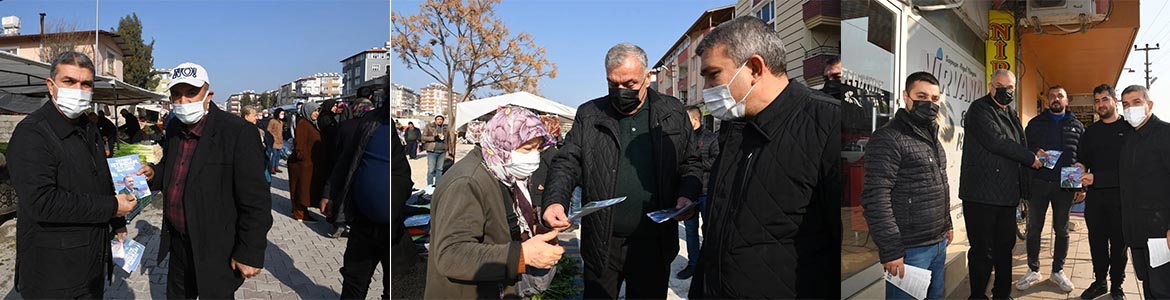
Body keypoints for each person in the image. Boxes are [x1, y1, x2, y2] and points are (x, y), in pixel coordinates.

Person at [686, 16, 841, 299]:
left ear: (755, 68)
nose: (706, 89)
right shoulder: (734, 125)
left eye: (713, 74)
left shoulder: (828, 124)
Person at [541, 42, 701, 299]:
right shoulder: (590, 114)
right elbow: (567, 161)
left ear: (648, 78)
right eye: (613, 84)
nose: (620, 91)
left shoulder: (672, 113)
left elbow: (691, 162)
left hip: (653, 243)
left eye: (629, 84)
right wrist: (555, 200)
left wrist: (687, 195)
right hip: (602, 243)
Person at [8, 50, 138, 299]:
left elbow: (101, 179)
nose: (78, 90)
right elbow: (41, 202)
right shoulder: (32, 134)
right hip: (54, 274)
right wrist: (111, 207)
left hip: (91, 265)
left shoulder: (88, 127)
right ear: (51, 85)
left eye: (85, 83)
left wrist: (118, 223)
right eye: (69, 81)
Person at [145, 62, 272, 298]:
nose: (183, 102)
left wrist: (250, 251)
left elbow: (256, 200)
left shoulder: (237, 132)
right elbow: (172, 170)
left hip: (217, 248)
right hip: (179, 244)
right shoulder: (174, 127)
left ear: (208, 94)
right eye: (176, 94)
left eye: (191, 93)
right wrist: (154, 173)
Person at [426, 105, 565, 298]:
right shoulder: (467, 182)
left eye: (537, 148)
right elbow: (451, 254)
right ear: (502, 143)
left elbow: (494, 224)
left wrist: (532, 233)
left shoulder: (501, 171)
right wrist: (523, 255)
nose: (534, 157)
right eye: (526, 148)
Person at [861, 72, 951, 300]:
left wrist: (947, 224)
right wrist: (890, 250)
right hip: (910, 250)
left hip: (938, 244)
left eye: (934, 98)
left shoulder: (932, 137)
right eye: (922, 96)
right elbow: (876, 197)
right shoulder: (888, 137)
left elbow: (940, 183)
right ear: (905, 97)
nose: (929, 103)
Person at [960, 69, 1043, 299]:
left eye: (1010, 88)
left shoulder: (1012, 114)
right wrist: (1029, 158)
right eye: (1000, 86)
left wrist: (1033, 154)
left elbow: (1017, 145)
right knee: (982, 253)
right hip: (980, 196)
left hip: (1007, 196)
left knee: (1005, 249)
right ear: (990, 86)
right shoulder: (979, 110)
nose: (1005, 91)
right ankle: (977, 295)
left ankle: (1002, 294)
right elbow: (997, 142)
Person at [1018, 85, 1085, 292]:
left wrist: (1081, 184)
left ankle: (1058, 271)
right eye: (1053, 96)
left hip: (1065, 184)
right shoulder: (1035, 123)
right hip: (1038, 182)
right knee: (1034, 229)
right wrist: (1033, 152)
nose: (1056, 99)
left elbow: (1083, 157)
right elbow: (1023, 148)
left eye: (1060, 96)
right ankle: (1033, 269)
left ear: (1067, 101)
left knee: (1062, 230)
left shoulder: (1077, 125)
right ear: (1047, 101)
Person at [1109, 85, 1170, 298]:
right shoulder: (1130, 138)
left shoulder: (1165, 133)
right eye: (1125, 104)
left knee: (1162, 288)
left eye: (1136, 102)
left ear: (1149, 105)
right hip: (1136, 231)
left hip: (1160, 233)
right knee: (1147, 284)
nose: (1130, 108)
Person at [1074, 84, 1130, 300]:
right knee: (1097, 243)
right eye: (1096, 101)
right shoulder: (1090, 132)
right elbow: (1083, 160)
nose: (1100, 104)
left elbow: (1130, 170)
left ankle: (1117, 285)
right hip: (1096, 199)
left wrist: (1097, 177)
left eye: (1105, 99)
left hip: (1121, 199)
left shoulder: (1129, 128)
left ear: (1115, 101)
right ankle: (1099, 282)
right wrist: (1079, 170)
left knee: (1119, 246)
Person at [677, 105, 718, 280]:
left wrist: (695, 163)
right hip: (689, 195)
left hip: (707, 192)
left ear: (695, 120)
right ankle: (693, 264)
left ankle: (710, 264)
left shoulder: (711, 138)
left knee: (708, 230)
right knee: (690, 231)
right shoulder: (682, 140)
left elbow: (717, 162)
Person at [290, 101, 327, 223]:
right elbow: (299, 145)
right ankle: (299, 213)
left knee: (304, 189)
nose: (316, 113)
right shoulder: (303, 124)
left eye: (318, 111)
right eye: (315, 111)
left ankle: (302, 211)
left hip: (308, 164)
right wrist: (304, 158)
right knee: (300, 189)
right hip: (302, 164)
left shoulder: (310, 124)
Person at [421, 115, 455, 186]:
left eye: (441, 119)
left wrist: (450, 151)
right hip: (432, 151)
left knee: (440, 170)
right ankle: (429, 186)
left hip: (442, 151)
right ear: (435, 120)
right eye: (438, 119)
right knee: (431, 170)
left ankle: (438, 185)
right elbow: (423, 138)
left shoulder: (445, 128)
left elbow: (448, 140)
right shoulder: (429, 126)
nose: (439, 120)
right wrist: (435, 138)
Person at [242, 105, 272, 184]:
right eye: (254, 115)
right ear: (246, 116)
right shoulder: (242, 130)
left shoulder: (257, 127)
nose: (257, 118)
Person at [267, 108, 286, 174]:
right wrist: (274, 136)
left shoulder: (281, 122)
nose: (282, 115)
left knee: (278, 155)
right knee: (274, 154)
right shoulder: (272, 121)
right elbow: (268, 130)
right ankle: (272, 167)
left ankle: (276, 166)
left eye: (283, 114)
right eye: (281, 114)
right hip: (274, 141)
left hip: (280, 141)